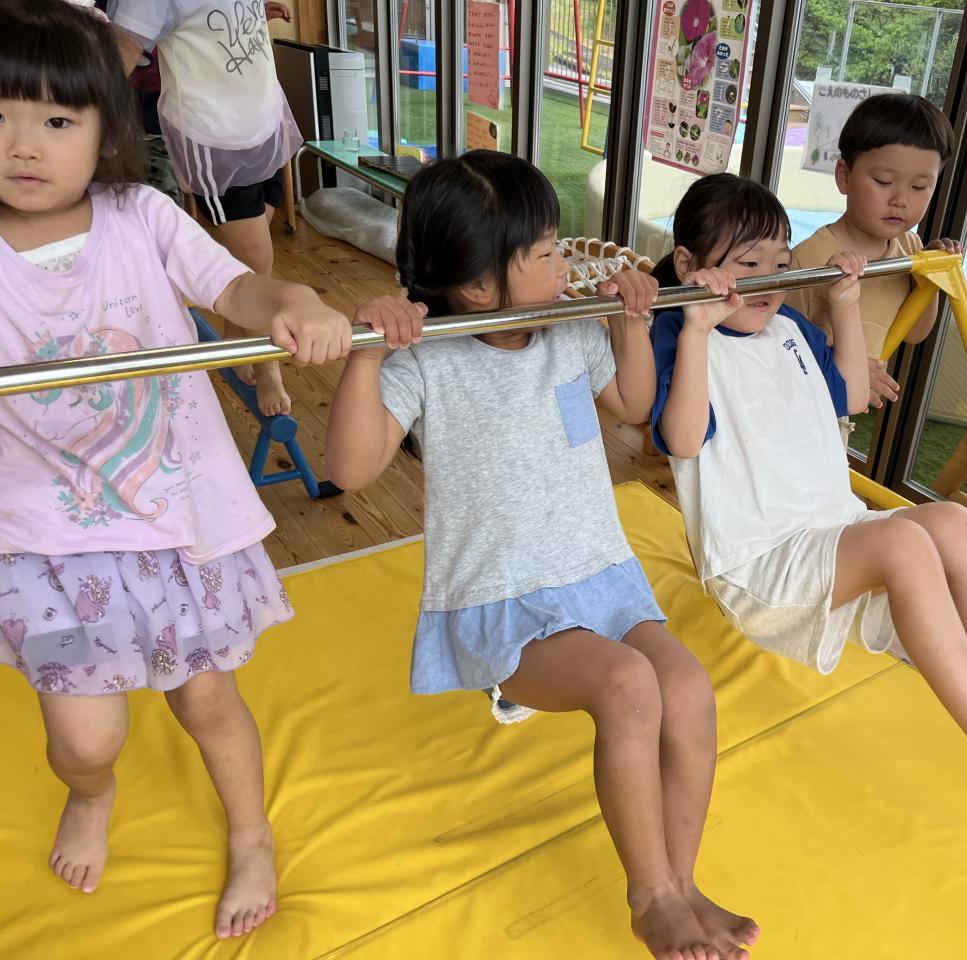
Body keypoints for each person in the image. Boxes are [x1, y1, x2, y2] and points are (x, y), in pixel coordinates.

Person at [325, 152, 756, 960]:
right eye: (547, 252)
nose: (566, 263)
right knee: (627, 686)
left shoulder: (569, 334)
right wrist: (367, 352)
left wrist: (629, 323)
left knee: (688, 688)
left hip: (601, 581)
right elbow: (349, 470)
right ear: (478, 286)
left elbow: (632, 405)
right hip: (503, 604)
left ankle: (683, 880)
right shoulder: (429, 361)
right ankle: (650, 895)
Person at [0, 0, 351, 938]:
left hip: (171, 514)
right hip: (45, 534)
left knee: (207, 699)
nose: (21, 145)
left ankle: (250, 833)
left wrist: (294, 297)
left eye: (56, 120)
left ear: (108, 130)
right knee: (84, 740)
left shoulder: (141, 215)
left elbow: (236, 286)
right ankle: (91, 792)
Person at [649, 173, 967, 800]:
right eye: (748, 265)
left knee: (955, 522)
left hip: (833, 531)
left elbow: (852, 395)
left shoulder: (789, 329)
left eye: (781, 263)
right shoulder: (681, 336)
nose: (769, 279)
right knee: (903, 546)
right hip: (759, 563)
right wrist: (695, 328)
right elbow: (684, 440)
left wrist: (846, 305)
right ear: (690, 266)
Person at [110, 0, 303, 417]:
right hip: (214, 138)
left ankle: (238, 329)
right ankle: (267, 363)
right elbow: (119, 51)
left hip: (265, 118)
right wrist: (84, 119)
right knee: (256, 258)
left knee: (255, 241)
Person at [788, 93, 962, 413]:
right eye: (884, 181)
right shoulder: (808, 260)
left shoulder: (910, 250)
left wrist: (929, 282)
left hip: (845, 414)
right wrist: (840, 369)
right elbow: (778, 350)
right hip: (805, 411)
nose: (901, 200)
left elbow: (914, 333)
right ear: (844, 176)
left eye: (919, 187)